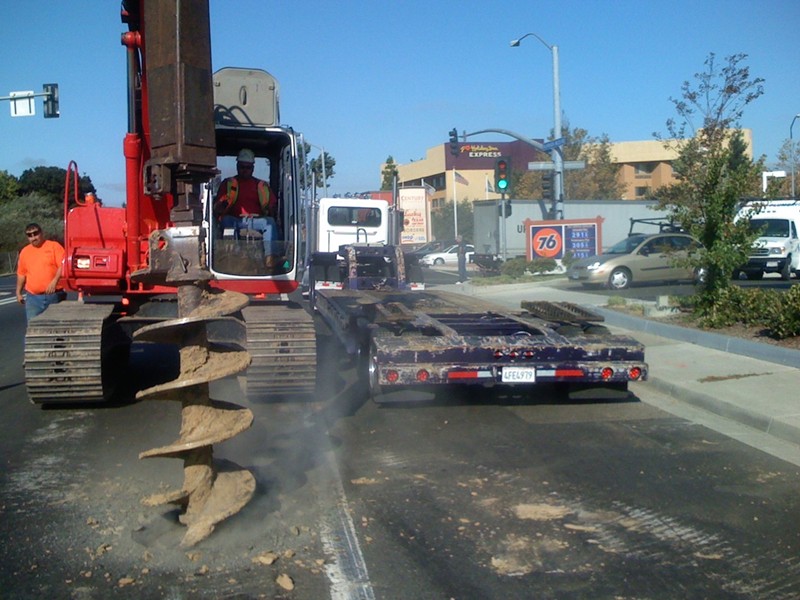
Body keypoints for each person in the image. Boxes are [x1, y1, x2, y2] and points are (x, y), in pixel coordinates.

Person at [214, 148, 281, 269]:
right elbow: (217, 207)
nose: (244, 170)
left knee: (270, 223)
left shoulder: (262, 186)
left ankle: (270, 258)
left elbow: (272, 206)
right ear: (237, 166)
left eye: (248, 167)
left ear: (253, 168)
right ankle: (234, 256)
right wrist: (222, 205)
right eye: (242, 167)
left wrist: (271, 209)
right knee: (226, 221)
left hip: (257, 221)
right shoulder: (228, 184)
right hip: (235, 220)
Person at [16, 223, 66, 322]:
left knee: (56, 326)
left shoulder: (53, 246)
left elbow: (63, 265)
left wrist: (54, 281)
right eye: (29, 235)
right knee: (33, 329)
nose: (33, 237)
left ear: (41, 233)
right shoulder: (25, 252)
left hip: (54, 296)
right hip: (33, 299)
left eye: (35, 233)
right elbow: (21, 274)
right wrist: (18, 292)